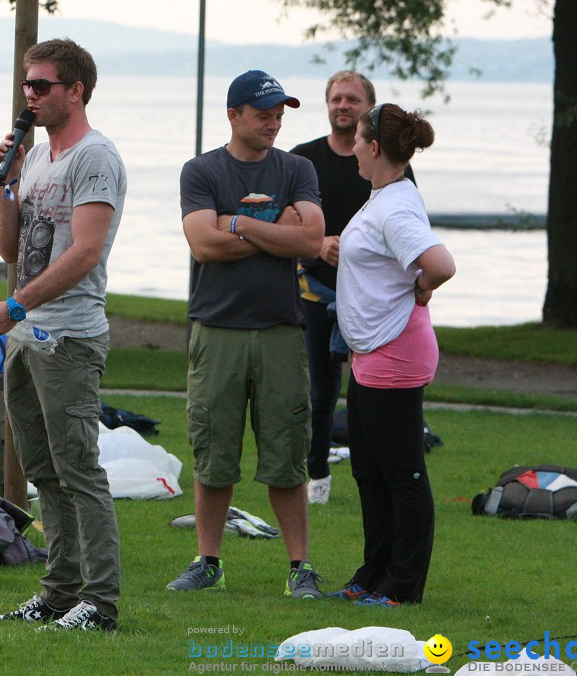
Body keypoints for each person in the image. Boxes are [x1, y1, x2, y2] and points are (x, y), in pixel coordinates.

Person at [0, 38, 125, 631]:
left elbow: (86, 252)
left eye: (41, 86)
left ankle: (100, 602)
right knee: (44, 471)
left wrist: (14, 304)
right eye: (26, 86)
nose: (29, 96)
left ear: (76, 90)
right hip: (27, 335)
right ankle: (59, 592)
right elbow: (11, 249)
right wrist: (7, 183)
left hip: (69, 337)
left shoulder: (96, 157)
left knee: (79, 469)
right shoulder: (36, 158)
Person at [167, 70, 326, 599]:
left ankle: (300, 567)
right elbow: (204, 246)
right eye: (264, 114)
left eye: (280, 114)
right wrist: (274, 228)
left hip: (282, 329)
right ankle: (208, 561)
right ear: (234, 115)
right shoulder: (201, 170)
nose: (274, 123)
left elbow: (313, 239)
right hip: (218, 329)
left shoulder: (298, 167)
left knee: (287, 454)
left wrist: (238, 224)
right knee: (214, 452)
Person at [331, 103, 455, 607]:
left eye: (359, 140)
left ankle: (403, 587)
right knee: (368, 470)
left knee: (402, 474)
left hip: (395, 351)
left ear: (375, 147)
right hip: (370, 352)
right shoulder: (383, 197)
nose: (353, 148)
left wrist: (423, 286)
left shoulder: (396, 204)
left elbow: (441, 263)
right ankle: (375, 572)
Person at [290, 71, 413, 505]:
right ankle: (317, 477)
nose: (343, 105)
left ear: (369, 112)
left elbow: (407, 225)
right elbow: (282, 221)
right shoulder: (302, 160)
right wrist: (318, 243)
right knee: (320, 392)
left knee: (371, 392)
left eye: (353, 99)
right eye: (336, 98)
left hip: (373, 298)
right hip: (317, 292)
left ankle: (377, 474)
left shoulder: (391, 166)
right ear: (326, 105)